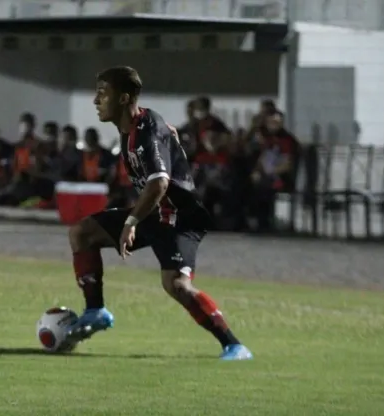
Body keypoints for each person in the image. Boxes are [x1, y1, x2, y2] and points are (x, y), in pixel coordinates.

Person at [66, 66, 253, 360]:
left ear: (124, 97)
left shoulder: (147, 127)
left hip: (181, 218)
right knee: (82, 232)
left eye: (103, 93)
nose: (95, 100)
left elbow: (160, 182)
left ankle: (234, 345)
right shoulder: (130, 130)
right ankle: (96, 310)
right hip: (155, 213)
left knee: (176, 286)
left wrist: (130, 222)